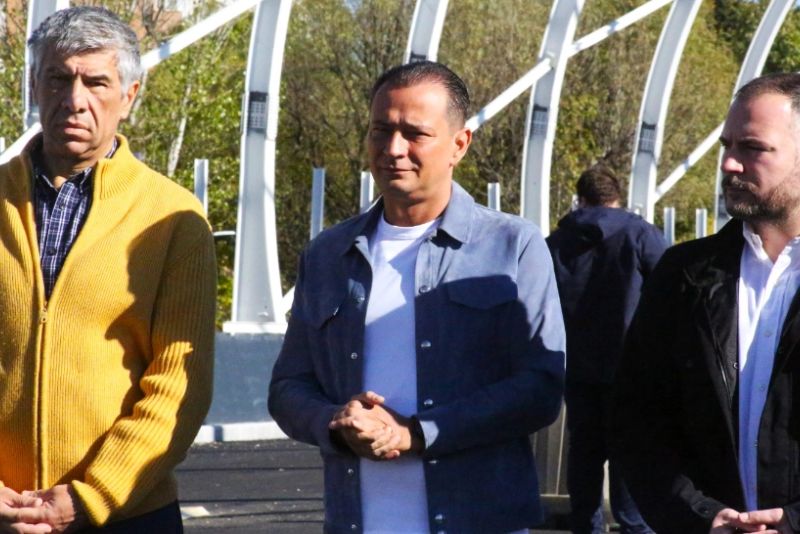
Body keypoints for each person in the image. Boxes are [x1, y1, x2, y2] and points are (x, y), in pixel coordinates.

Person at [268, 61, 565, 533]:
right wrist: (336, 422)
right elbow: (288, 388)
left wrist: (415, 434)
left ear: (459, 144)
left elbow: (540, 388)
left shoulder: (512, 247)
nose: (393, 149)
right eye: (380, 130)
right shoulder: (327, 255)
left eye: (414, 134)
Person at [0, 6, 216, 533]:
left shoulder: (173, 218)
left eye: (96, 82)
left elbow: (178, 385)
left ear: (129, 96)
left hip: (127, 515)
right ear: (33, 86)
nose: (75, 99)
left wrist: (92, 495)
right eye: (58, 78)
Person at [611, 72, 800, 534]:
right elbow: (639, 422)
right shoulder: (684, 275)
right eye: (726, 146)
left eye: (752, 148)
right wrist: (700, 515)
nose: (730, 164)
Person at [547, 166, 664, 534]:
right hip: (631, 367)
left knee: (584, 452)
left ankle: (586, 526)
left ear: (580, 198)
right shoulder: (640, 235)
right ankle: (634, 526)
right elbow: (671, 288)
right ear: (618, 197)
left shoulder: (556, 242)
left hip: (577, 366)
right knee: (629, 451)